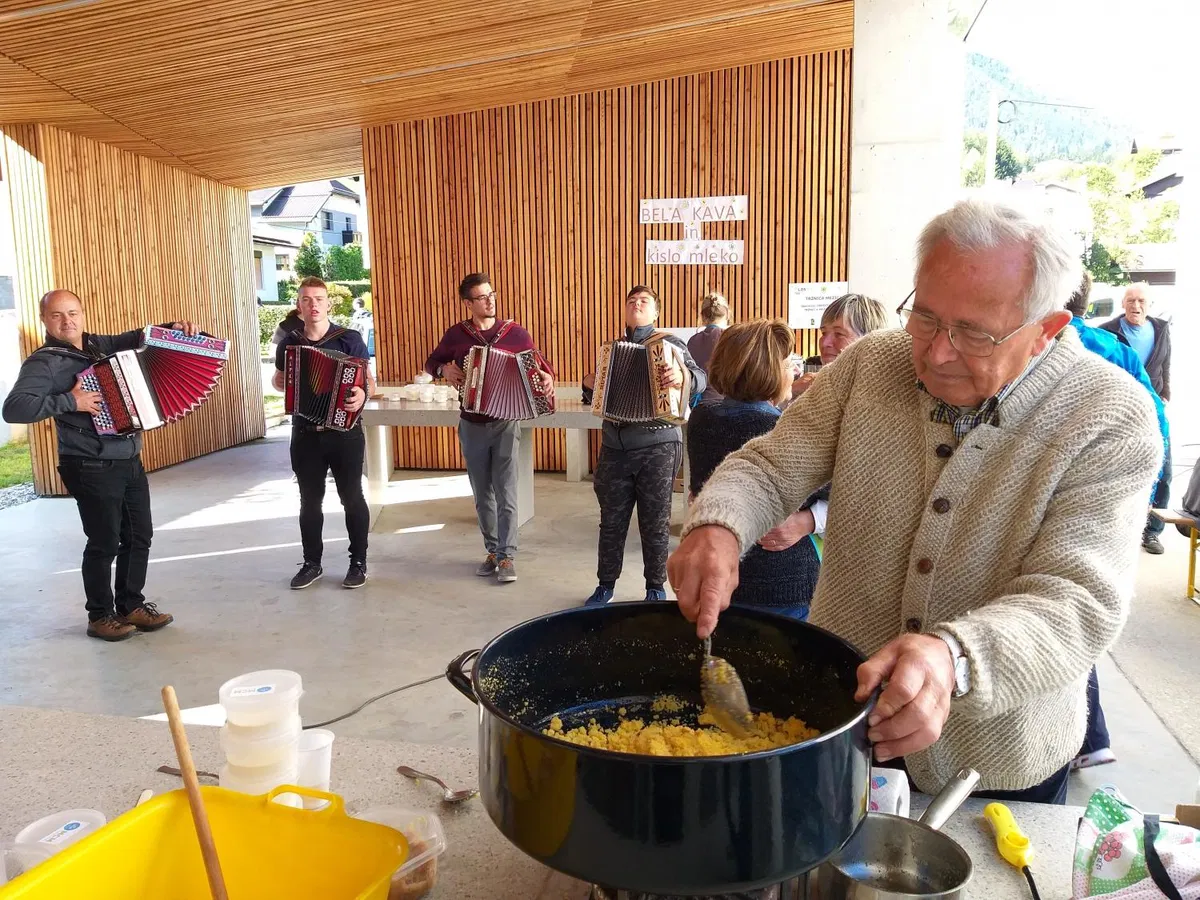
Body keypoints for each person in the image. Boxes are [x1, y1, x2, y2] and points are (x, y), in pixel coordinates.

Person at [668, 199, 1161, 804]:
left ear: (1046, 330)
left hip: (995, 759)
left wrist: (956, 659)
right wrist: (718, 526)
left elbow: (1079, 599)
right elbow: (769, 467)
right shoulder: (871, 364)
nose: (937, 352)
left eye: (975, 333)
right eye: (924, 317)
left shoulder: (1109, 416)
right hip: (841, 718)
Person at [2, 289, 197, 641]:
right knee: (104, 542)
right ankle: (99, 616)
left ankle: (131, 605)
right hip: (88, 463)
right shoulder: (44, 363)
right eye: (57, 315)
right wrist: (70, 401)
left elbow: (136, 337)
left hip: (128, 458)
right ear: (44, 320)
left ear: (82, 314)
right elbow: (15, 408)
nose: (67, 321)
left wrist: (173, 328)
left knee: (139, 536)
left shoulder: (97, 345)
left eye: (73, 313)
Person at [1064, 272, 1171, 771]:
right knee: (1075, 611)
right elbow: (1155, 426)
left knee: (1067, 614)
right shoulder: (1113, 346)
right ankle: (1093, 738)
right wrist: (1147, 498)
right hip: (1111, 502)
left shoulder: (1060, 347)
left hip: (1074, 501)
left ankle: (1087, 737)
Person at [424, 273, 555, 584]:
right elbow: (431, 363)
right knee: (482, 493)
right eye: (482, 297)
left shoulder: (515, 333)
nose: (490, 301)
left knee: (506, 490)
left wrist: (548, 377)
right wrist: (444, 369)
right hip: (472, 422)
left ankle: (507, 555)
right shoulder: (457, 335)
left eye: (491, 294)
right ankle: (493, 551)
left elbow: (540, 366)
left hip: (506, 421)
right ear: (468, 303)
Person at [687, 319, 822, 619]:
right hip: (780, 582)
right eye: (788, 364)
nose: (794, 372)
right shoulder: (780, 428)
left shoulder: (701, 418)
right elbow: (831, 489)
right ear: (768, 370)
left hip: (720, 575)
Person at [582, 285, 707, 606]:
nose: (636, 304)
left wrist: (682, 376)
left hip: (658, 444)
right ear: (625, 310)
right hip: (615, 445)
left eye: (644, 301)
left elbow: (701, 377)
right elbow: (595, 397)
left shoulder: (671, 344)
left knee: (655, 521)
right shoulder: (613, 350)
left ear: (656, 312)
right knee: (611, 521)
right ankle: (605, 585)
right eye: (631, 301)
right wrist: (590, 384)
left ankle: (655, 587)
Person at [272, 276, 375, 590]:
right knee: (309, 500)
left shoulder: (349, 340)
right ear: (299, 305)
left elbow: (369, 382)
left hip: (345, 432)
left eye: (319, 299)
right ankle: (311, 564)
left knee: (352, 497)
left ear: (329, 303)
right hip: (305, 432)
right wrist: (282, 383)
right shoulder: (290, 343)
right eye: (306, 299)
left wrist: (362, 394)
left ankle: (358, 563)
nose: (313, 305)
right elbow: (278, 380)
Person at [1099, 284, 1173, 554]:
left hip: (1155, 409)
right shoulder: (1108, 331)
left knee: (1163, 470)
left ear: (1149, 304)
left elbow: (1165, 363)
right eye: (1130, 300)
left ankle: (1152, 531)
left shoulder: (1161, 329)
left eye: (1141, 300)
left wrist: (1166, 391)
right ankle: (1116, 530)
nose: (1136, 306)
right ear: (1123, 303)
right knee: (1119, 469)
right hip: (1123, 408)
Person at [792, 293, 890, 398]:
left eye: (839, 334)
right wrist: (790, 392)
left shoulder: (880, 395)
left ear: (869, 339)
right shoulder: (813, 387)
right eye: (824, 333)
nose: (825, 343)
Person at [686, 292, 730, 402]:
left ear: (702, 317)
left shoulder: (693, 340)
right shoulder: (730, 338)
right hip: (724, 403)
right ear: (727, 315)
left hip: (697, 404)